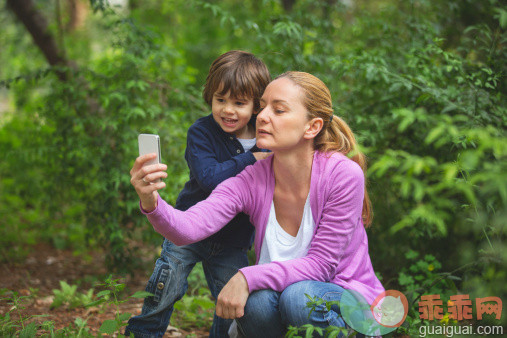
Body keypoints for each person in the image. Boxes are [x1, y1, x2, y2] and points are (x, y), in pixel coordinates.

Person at [130, 71, 384, 337]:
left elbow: (321, 265)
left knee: (298, 297)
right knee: (256, 304)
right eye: (262, 107)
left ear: (312, 127)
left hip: (343, 294)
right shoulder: (253, 178)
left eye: (279, 110)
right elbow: (188, 228)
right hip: (283, 296)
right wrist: (150, 200)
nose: (262, 116)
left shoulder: (341, 174)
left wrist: (246, 277)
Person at [125, 50, 271, 338]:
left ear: (256, 105)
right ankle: (143, 333)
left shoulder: (268, 137)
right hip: (188, 228)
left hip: (233, 240)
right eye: (221, 100)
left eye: (239, 103)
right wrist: (252, 158)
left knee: (233, 304)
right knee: (165, 288)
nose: (228, 110)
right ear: (210, 97)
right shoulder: (202, 132)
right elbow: (209, 178)